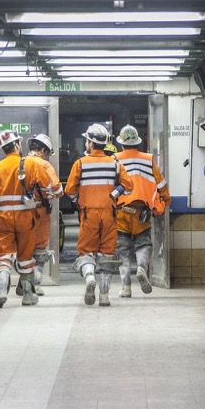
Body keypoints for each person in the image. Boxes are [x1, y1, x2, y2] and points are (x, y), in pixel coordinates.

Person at [0, 130, 48, 309]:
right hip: (25, 217)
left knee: (4, 254)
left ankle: (1, 291)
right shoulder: (30, 164)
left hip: (3, 217)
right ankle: (28, 295)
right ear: (16, 145)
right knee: (25, 256)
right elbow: (51, 188)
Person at [64, 123, 133, 307]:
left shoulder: (80, 164)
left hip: (88, 213)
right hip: (109, 212)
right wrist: (114, 194)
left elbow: (69, 190)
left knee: (86, 251)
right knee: (107, 253)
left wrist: (79, 197)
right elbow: (128, 186)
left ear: (90, 143)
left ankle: (89, 278)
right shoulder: (115, 164)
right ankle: (104, 296)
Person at [114, 125, 170, 297]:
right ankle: (141, 267)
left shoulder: (115, 159)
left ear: (122, 143)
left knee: (123, 249)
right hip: (142, 212)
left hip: (121, 211)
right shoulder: (148, 159)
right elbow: (161, 184)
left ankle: (126, 287)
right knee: (143, 243)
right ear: (138, 142)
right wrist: (165, 201)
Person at [26, 133, 63, 296]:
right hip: (40, 210)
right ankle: (36, 284)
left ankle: (24, 281)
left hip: (20, 211)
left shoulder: (20, 163)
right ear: (42, 150)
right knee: (39, 247)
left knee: (24, 246)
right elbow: (57, 188)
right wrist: (55, 194)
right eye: (46, 152)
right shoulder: (44, 165)